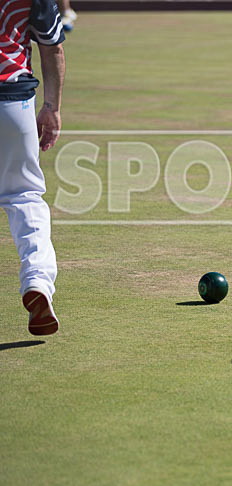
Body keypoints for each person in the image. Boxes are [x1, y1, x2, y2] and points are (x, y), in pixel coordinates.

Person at [1, 0, 66, 336]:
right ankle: (38, 281)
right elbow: (51, 47)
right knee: (24, 197)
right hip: (12, 101)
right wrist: (52, 108)